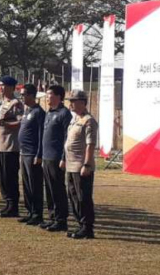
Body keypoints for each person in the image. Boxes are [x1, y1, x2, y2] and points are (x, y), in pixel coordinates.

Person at [65, 89, 98, 239]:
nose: (71, 104)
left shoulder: (88, 120)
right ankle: (80, 224)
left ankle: (87, 227)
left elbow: (90, 145)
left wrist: (87, 164)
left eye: (74, 101)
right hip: (71, 164)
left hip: (81, 165)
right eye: (70, 101)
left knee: (83, 197)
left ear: (82, 102)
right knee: (72, 195)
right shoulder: (75, 119)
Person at [40, 85, 72, 232]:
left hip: (56, 157)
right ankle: (52, 216)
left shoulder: (64, 113)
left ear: (59, 96)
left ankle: (61, 219)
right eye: (46, 95)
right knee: (49, 188)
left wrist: (64, 158)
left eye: (50, 95)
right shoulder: (49, 112)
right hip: (46, 156)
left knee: (57, 188)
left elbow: (67, 137)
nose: (47, 97)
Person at [0, 76, 24, 218]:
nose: (1, 88)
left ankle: (13, 205)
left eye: (4, 86)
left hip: (10, 145)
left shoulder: (16, 103)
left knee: (9, 176)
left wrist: (4, 124)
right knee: (2, 176)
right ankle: (7, 202)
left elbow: (19, 123)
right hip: (0, 145)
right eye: (0, 86)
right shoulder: (3, 103)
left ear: (12, 87)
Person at [18, 84, 46, 226]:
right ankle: (30, 211)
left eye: (23, 94)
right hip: (23, 152)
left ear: (30, 95)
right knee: (26, 184)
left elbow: (41, 135)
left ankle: (37, 213)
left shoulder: (38, 112)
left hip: (32, 153)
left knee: (35, 184)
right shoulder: (26, 111)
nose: (21, 97)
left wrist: (39, 154)